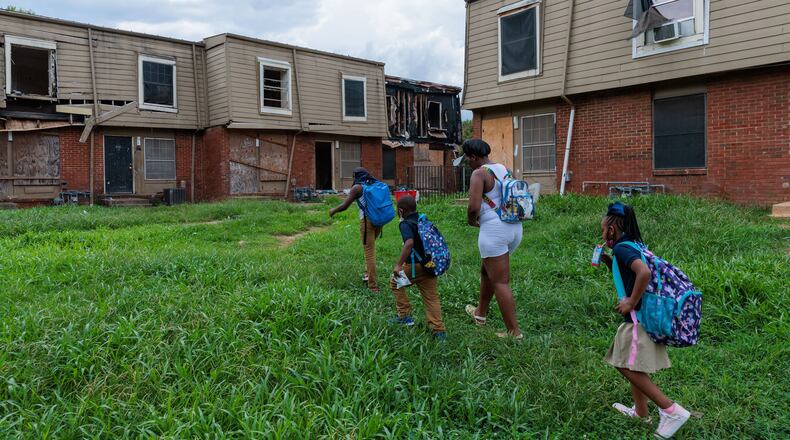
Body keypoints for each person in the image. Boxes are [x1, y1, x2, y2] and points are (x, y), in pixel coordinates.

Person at [598, 202, 691, 439]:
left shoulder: (622, 249)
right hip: (639, 316)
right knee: (633, 365)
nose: (601, 231)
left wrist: (629, 302)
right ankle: (641, 412)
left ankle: (671, 410)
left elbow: (644, 273)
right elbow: (632, 274)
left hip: (636, 318)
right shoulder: (632, 244)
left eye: (603, 227)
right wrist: (611, 265)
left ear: (611, 228)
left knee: (623, 364)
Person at [460, 139, 523, 339]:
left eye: (467, 159)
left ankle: (514, 333)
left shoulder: (479, 173)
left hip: (494, 231)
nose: (467, 163)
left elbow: (473, 207)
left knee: (501, 282)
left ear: (473, 157)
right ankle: (480, 314)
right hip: (514, 228)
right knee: (487, 271)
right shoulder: (503, 169)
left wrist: (471, 221)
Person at [389, 195, 446, 340]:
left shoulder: (405, 224)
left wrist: (398, 264)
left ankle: (404, 316)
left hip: (416, 266)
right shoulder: (422, 220)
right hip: (429, 264)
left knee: (395, 282)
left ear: (401, 211)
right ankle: (438, 331)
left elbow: (409, 243)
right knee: (431, 297)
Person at [329, 168, 382, 292]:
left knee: (369, 252)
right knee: (369, 248)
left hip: (367, 221)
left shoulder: (357, 188)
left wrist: (333, 210)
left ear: (356, 176)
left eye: (353, 176)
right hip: (379, 221)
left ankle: (373, 286)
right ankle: (367, 274)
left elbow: (344, 206)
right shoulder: (375, 183)